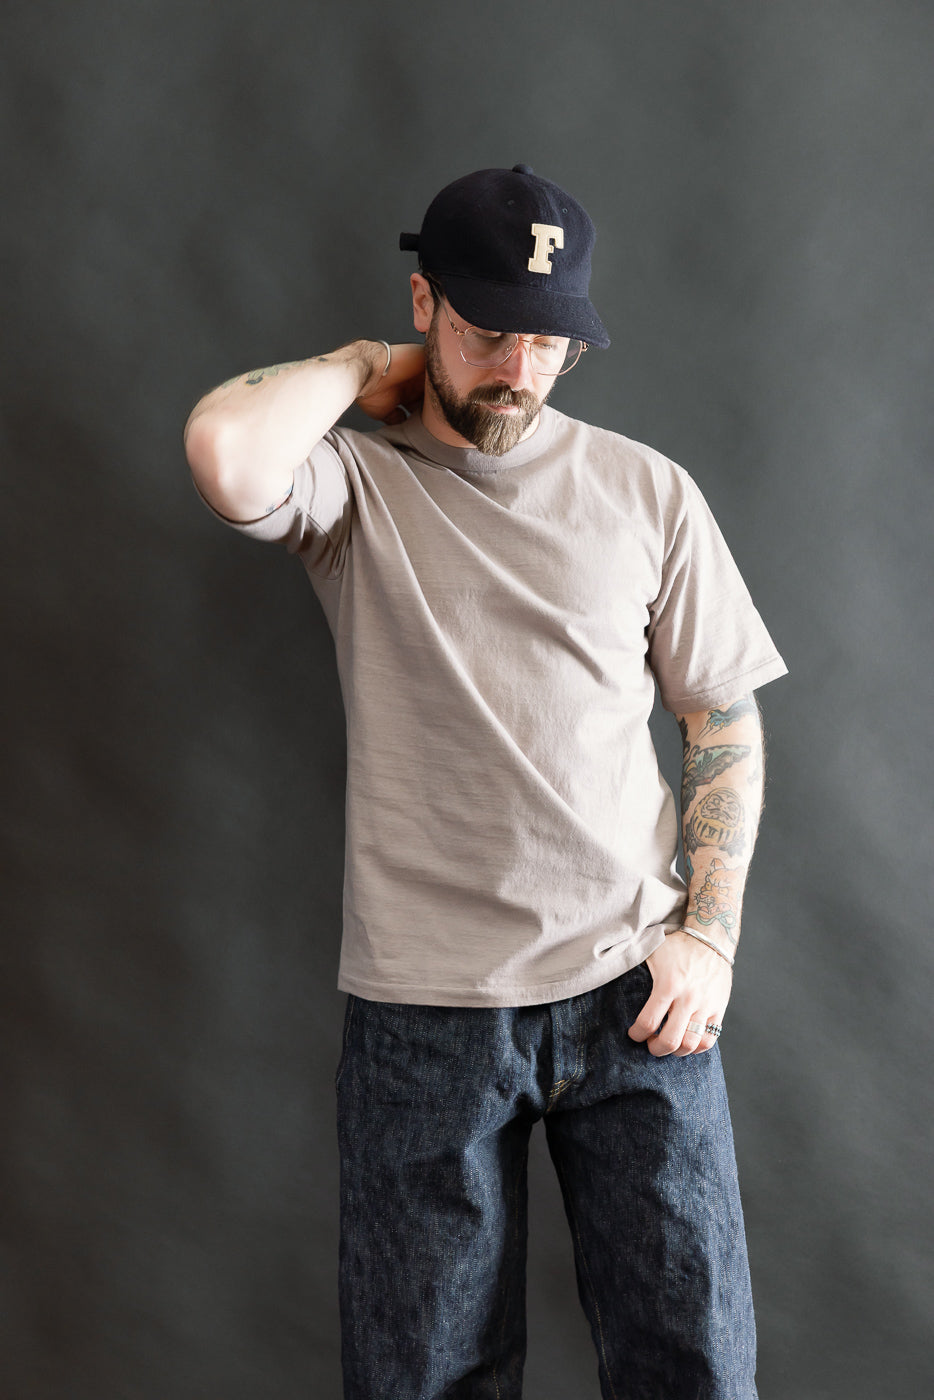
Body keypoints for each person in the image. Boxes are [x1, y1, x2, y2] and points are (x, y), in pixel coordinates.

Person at [185, 164, 786, 1399]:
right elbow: (223, 449)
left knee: (697, 1368)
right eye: (487, 330)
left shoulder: (647, 490)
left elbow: (717, 711)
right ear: (425, 303)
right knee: (422, 1377)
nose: (520, 367)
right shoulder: (353, 483)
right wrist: (360, 366)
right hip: (422, 1010)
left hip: (636, 996)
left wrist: (709, 937)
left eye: (549, 339)